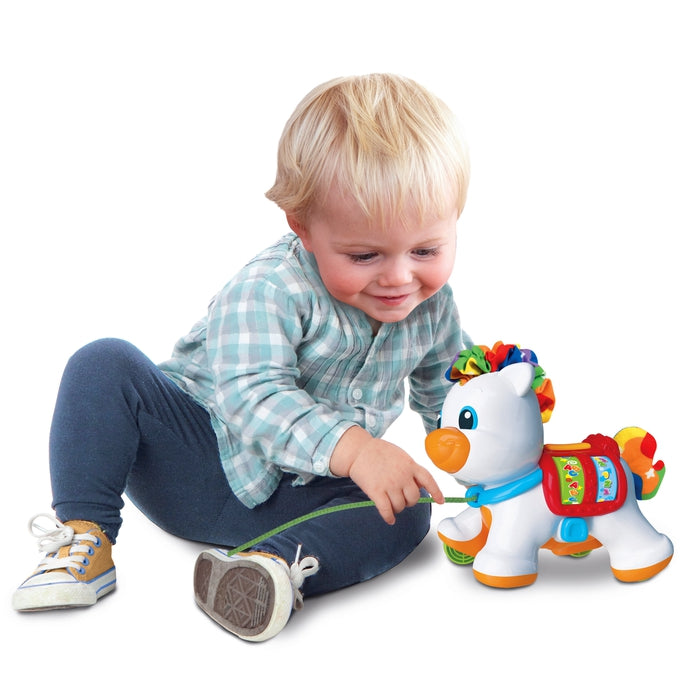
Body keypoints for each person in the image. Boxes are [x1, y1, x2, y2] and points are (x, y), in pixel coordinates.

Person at [13, 73, 471, 642]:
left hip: (301, 495)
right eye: (364, 255)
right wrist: (356, 450)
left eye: (426, 249)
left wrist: (500, 442)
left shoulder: (432, 307)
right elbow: (253, 395)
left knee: (407, 504)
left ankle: (270, 568)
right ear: (304, 228)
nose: (400, 277)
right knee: (104, 363)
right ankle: (85, 537)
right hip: (195, 461)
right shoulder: (271, 287)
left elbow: (447, 393)